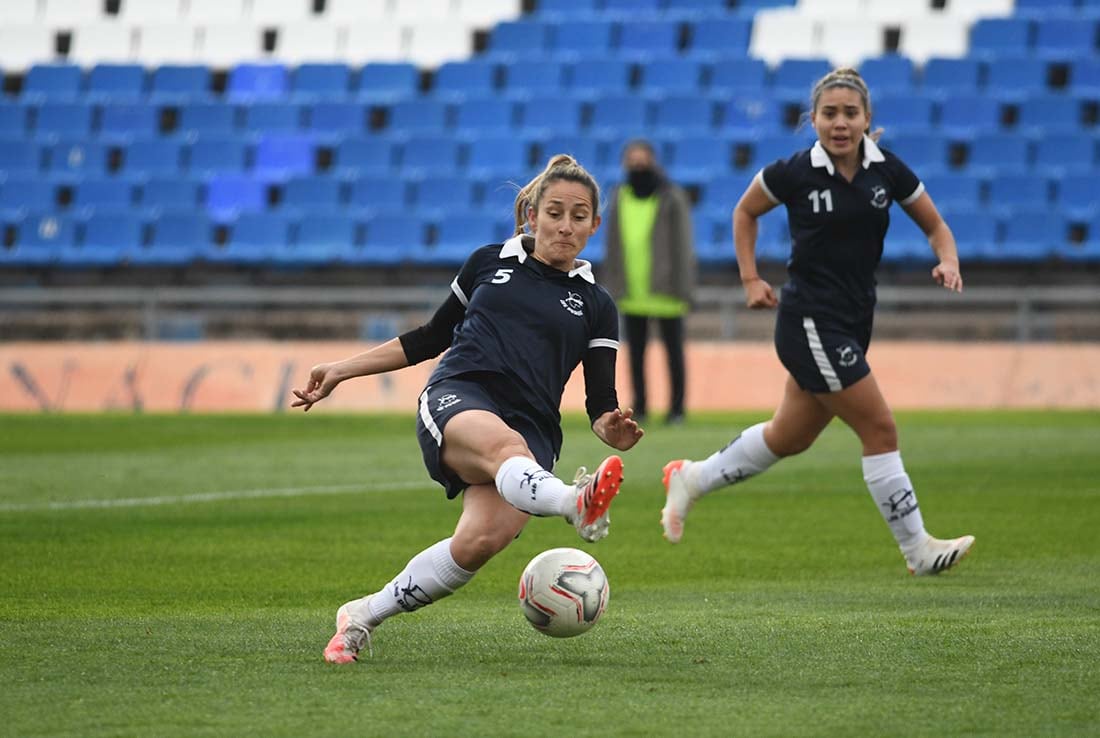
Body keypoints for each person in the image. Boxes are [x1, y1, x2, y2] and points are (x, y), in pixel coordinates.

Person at [292, 154, 644, 663]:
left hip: (534, 428)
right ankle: (574, 502)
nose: (566, 226)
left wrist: (613, 428)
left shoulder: (598, 304)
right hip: (461, 394)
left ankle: (361, 616)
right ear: (531, 214)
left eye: (579, 215)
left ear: (594, 225)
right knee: (506, 447)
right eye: (555, 212)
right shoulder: (488, 263)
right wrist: (343, 368)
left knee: (477, 542)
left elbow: (601, 406)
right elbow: (430, 338)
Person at [660, 68, 975, 576]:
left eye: (851, 113)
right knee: (879, 427)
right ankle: (917, 548)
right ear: (813, 120)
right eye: (830, 113)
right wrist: (749, 278)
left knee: (789, 437)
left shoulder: (887, 171)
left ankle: (691, 478)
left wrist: (949, 259)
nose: (840, 123)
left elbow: (937, 226)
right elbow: (745, 212)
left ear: (867, 119)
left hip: (852, 322)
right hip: (810, 321)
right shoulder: (794, 172)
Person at [600, 139, 697, 425]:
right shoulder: (619, 195)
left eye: (642, 160)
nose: (637, 166)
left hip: (666, 289)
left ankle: (677, 409)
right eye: (632, 160)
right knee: (635, 354)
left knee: (674, 352)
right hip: (632, 290)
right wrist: (613, 283)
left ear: (654, 161)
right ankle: (640, 406)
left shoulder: (671, 196)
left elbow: (683, 244)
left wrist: (685, 288)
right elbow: (613, 243)